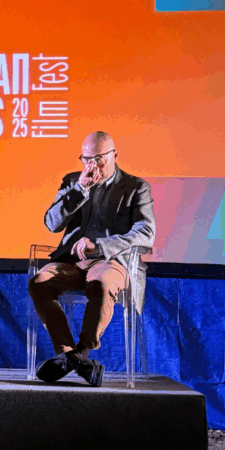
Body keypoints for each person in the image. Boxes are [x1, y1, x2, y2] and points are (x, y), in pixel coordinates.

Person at [28, 131, 155, 387]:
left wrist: (100, 246)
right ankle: (73, 358)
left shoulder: (136, 187)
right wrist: (80, 190)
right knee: (38, 282)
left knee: (101, 284)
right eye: (86, 159)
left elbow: (145, 233)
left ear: (115, 155)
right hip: (71, 262)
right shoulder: (72, 181)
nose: (92, 166)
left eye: (99, 159)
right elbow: (51, 223)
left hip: (111, 260)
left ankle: (79, 354)